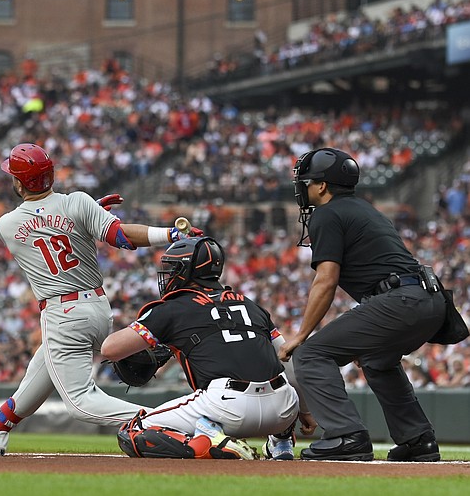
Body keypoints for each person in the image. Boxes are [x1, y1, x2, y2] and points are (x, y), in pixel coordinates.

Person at [0, 142, 205, 456]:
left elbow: (48, 227)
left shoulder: (7, 224)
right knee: (37, 376)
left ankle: (175, 422)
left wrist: (88, 215)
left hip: (62, 312)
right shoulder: (78, 203)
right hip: (97, 308)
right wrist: (171, 234)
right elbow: (121, 237)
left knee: (80, 403)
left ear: (19, 182)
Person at [279, 148, 447, 461]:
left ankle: (346, 436)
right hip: (431, 300)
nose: (302, 187)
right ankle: (417, 439)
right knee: (376, 359)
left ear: (322, 186)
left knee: (312, 354)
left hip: (401, 299)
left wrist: (301, 335)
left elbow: (326, 280)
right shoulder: (365, 209)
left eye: (307, 182)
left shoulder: (327, 214)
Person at [101, 236, 314, 460]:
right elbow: (288, 360)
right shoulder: (250, 305)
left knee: (133, 430)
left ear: (187, 270)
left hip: (227, 407)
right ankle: (281, 443)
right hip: (283, 410)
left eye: (174, 268)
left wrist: (162, 341)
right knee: (276, 379)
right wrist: (305, 411)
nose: (169, 274)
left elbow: (109, 349)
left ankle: (208, 441)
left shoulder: (173, 308)